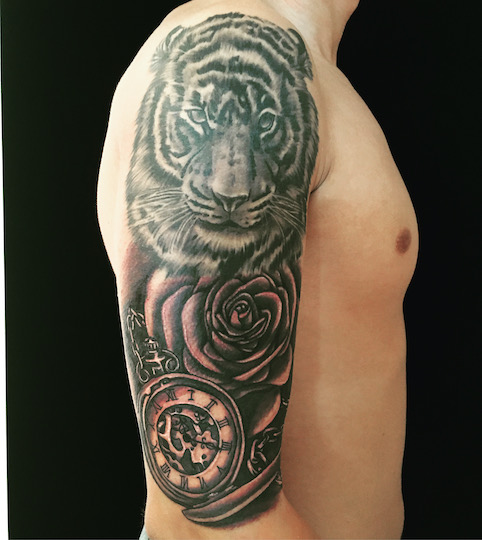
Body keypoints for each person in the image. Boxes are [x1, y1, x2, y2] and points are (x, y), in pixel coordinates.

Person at [97, 0, 418, 538]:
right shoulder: (226, 39)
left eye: (266, 124)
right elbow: (210, 522)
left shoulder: (306, 62)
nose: (231, 185)